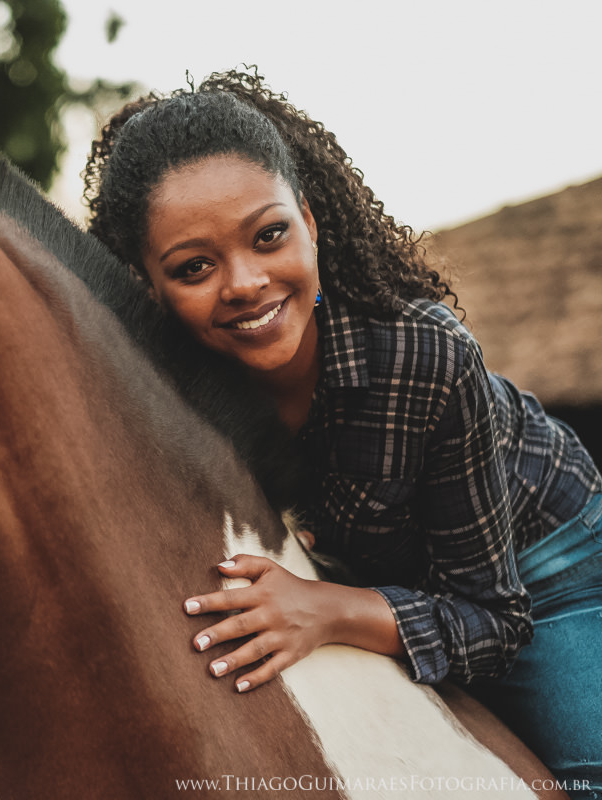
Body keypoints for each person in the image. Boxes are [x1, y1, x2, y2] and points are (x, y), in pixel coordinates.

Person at [83, 69, 602, 797]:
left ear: (311, 223)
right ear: (146, 283)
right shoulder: (164, 401)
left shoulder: (424, 356)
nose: (243, 282)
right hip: (377, 580)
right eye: (194, 267)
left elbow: (493, 621)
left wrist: (326, 608)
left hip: (541, 563)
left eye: (269, 236)